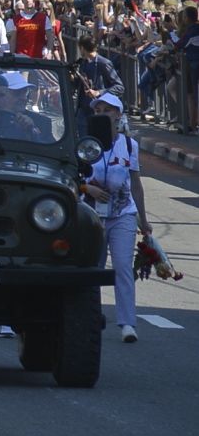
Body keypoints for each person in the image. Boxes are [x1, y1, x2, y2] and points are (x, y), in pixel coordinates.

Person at [84, 92, 151, 343]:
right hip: (91, 215)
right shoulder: (86, 143)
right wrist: (86, 189)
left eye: (108, 111)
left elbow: (135, 183)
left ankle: (127, 323)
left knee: (123, 266)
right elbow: (73, 177)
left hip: (122, 213)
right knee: (93, 268)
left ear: (118, 115)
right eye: (98, 111)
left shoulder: (129, 145)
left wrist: (144, 221)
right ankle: (90, 316)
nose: (102, 115)